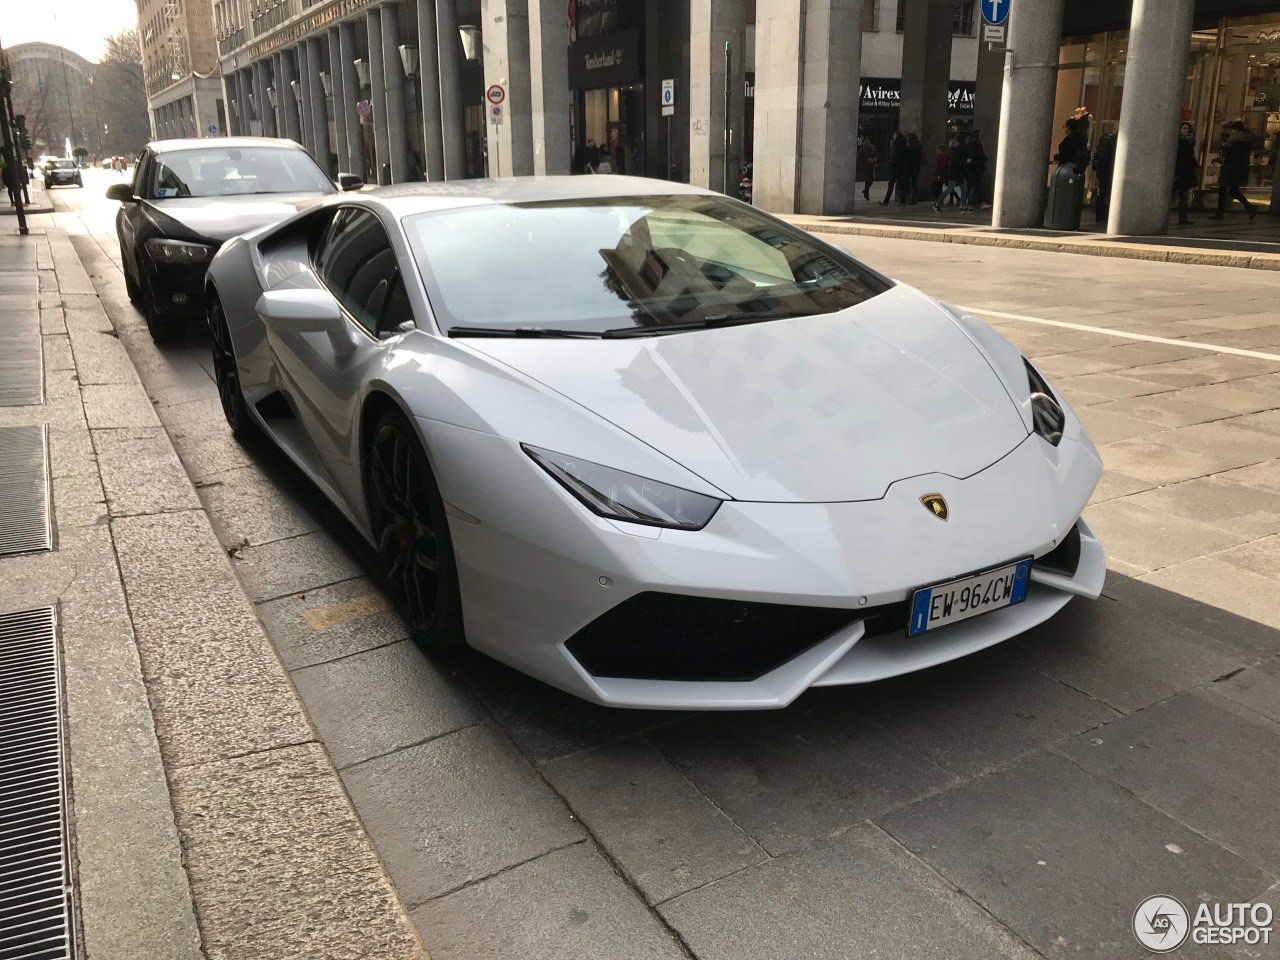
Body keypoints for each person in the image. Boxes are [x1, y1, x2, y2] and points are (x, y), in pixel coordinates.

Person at [1210, 120, 1257, 221]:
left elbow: (1229, 155)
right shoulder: (1246, 141)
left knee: (1223, 190)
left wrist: (1224, 146)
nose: (1230, 132)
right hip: (1239, 170)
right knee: (1233, 191)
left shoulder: (1235, 142)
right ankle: (1249, 206)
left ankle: (1219, 213)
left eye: (1231, 130)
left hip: (1231, 170)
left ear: (1235, 130)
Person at [1092, 122, 1118, 224]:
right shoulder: (1107, 141)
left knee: (1104, 194)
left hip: (1106, 172)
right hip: (1106, 173)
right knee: (1103, 194)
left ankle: (1103, 215)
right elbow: (1104, 159)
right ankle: (1101, 216)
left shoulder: (1110, 140)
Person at [1173, 121, 1197, 226]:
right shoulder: (1179, 142)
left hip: (1186, 173)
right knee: (1173, 196)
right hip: (1179, 173)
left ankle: (1183, 218)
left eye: (1188, 128)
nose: (1186, 130)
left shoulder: (1190, 142)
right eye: (1184, 128)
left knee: (1184, 197)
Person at [879, 129, 909, 205]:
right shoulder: (905, 144)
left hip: (896, 167)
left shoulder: (896, 143)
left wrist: (892, 163)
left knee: (891, 184)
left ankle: (886, 201)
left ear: (895, 135)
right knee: (902, 184)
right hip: (903, 167)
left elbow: (895, 156)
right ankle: (903, 201)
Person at [963, 130, 988, 212]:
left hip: (972, 169)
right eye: (980, 135)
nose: (982, 137)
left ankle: (965, 203)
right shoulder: (976, 145)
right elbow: (980, 157)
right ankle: (981, 202)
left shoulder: (969, 145)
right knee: (976, 186)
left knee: (971, 186)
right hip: (975, 169)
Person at [856, 135, 878, 201]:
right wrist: (865, 161)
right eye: (866, 141)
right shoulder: (862, 148)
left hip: (871, 166)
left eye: (868, 141)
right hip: (865, 166)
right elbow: (860, 157)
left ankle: (865, 190)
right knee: (867, 179)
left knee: (871, 180)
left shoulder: (873, 147)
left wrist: (874, 160)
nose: (867, 142)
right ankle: (867, 195)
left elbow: (876, 155)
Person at [905, 132, 923, 205]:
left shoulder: (912, 146)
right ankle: (914, 198)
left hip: (910, 166)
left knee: (907, 181)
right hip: (917, 166)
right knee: (914, 183)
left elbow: (908, 155)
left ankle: (906, 196)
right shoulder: (920, 145)